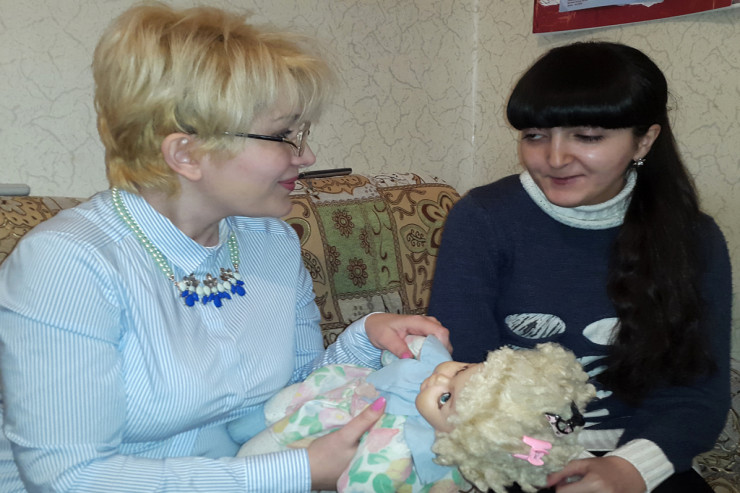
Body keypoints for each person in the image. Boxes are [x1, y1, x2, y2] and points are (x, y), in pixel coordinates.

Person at [0, 4, 450, 492]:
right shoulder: (67, 264)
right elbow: (69, 479)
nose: (306, 155)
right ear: (186, 154)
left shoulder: (270, 242)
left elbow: (294, 396)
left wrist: (366, 336)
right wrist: (297, 471)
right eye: (283, 135)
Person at [427, 41, 732, 493]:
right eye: (535, 136)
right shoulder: (483, 220)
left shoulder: (694, 237)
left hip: (639, 457)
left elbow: (696, 394)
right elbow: (464, 373)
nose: (554, 158)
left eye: (587, 137)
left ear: (644, 140)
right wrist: (552, 462)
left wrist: (630, 469)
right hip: (509, 452)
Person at [236, 336, 595, 493]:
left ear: (460, 439)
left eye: (445, 398)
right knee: (286, 403)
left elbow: (367, 481)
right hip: (348, 389)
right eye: (462, 368)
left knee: (273, 443)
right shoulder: (433, 371)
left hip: (336, 429)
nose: (439, 377)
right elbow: (414, 348)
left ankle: (251, 457)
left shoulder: (401, 445)